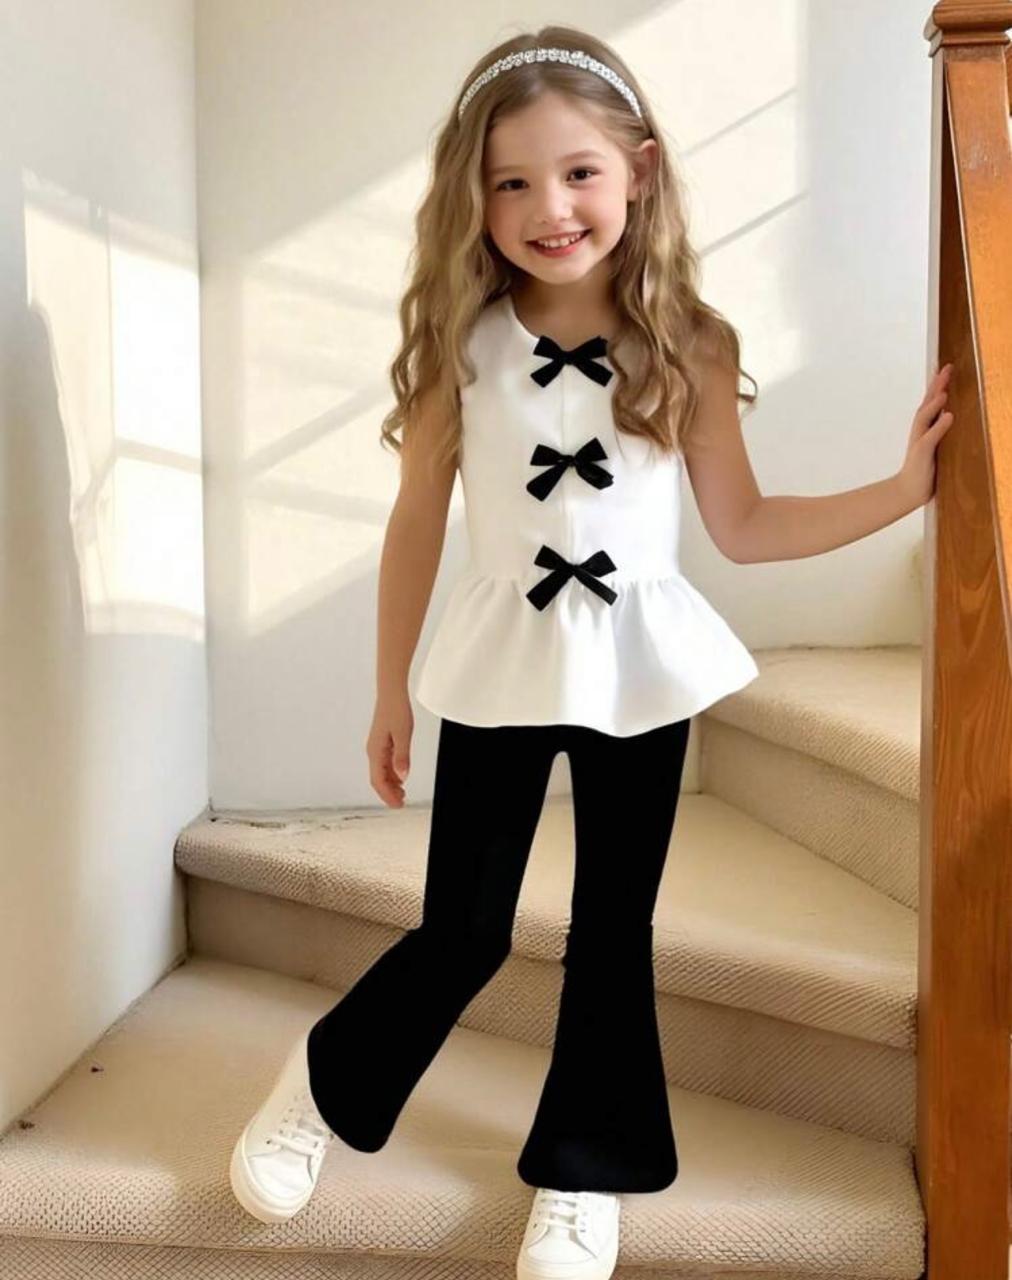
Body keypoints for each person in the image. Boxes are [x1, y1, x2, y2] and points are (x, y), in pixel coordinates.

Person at [228, 24, 953, 1280]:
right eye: (509, 182)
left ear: (639, 171)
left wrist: (898, 492)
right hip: (497, 656)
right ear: (472, 198)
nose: (547, 209)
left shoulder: (692, 343)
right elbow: (415, 523)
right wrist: (390, 687)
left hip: (639, 661)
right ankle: (325, 1081)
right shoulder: (463, 342)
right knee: (463, 926)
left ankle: (583, 1166)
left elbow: (744, 524)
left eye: (576, 173)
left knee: (612, 930)